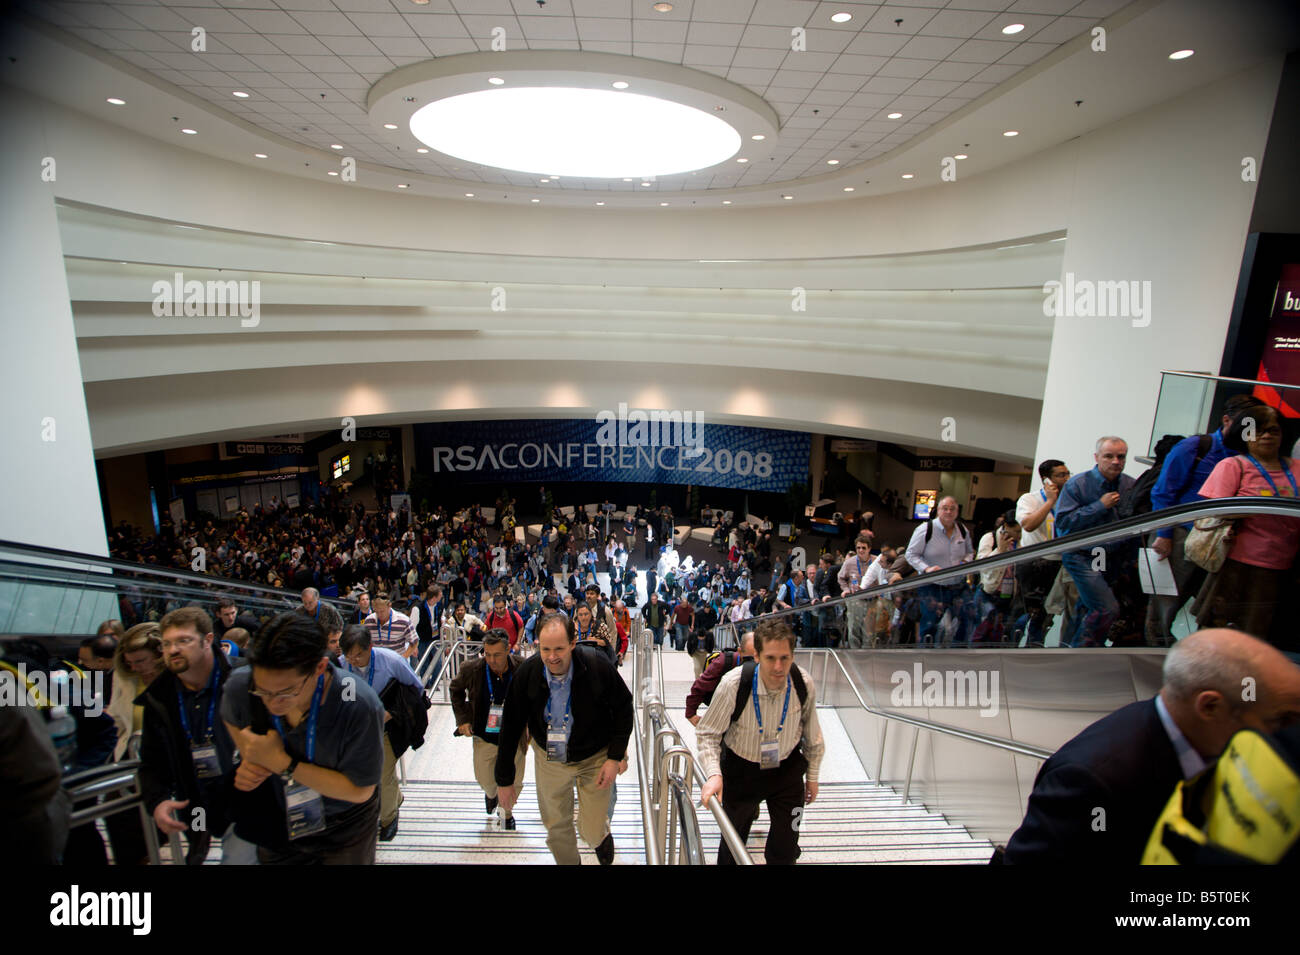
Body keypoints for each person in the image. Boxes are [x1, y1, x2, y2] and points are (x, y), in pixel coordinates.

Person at [1001, 628, 1300, 864]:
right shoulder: (1092, 780)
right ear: (1210, 707)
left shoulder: (1209, 749)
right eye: (1284, 719)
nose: (1289, 733)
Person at [221, 611, 386, 864]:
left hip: (344, 825)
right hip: (277, 817)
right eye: (263, 691)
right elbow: (230, 715)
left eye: (286, 692)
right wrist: (250, 753)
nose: (272, 703)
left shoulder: (358, 705)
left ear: (319, 667)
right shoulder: (241, 685)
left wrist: (283, 764)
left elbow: (360, 790)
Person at [495, 612, 633, 865]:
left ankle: (599, 834)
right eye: (546, 649)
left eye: (559, 648)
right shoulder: (528, 674)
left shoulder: (596, 666)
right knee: (556, 826)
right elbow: (511, 727)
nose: (552, 657)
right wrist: (504, 780)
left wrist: (615, 757)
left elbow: (624, 707)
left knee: (590, 829)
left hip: (594, 757)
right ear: (537, 644)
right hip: (550, 758)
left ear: (572, 643)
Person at [697, 618, 824, 865]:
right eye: (770, 658)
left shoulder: (802, 683)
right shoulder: (733, 684)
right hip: (741, 772)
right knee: (732, 847)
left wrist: (813, 776)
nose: (778, 666)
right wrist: (714, 774)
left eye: (785, 658)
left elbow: (813, 735)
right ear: (757, 656)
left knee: (787, 847)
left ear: (793, 656)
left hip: (787, 772)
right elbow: (708, 734)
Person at [138, 606, 259, 865]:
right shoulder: (159, 697)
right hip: (197, 801)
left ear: (208, 640)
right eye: (167, 643)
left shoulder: (246, 679)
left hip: (250, 801)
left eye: (184, 641)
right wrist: (158, 801)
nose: (173, 650)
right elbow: (151, 760)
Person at [1146, 396, 1263, 645]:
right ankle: (1155, 651)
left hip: (1221, 541)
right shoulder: (1195, 447)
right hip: (1181, 535)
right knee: (1165, 603)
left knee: (1209, 602)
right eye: (1245, 423)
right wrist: (1164, 535)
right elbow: (1163, 492)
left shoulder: (1250, 457)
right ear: (1227, 420)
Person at [1193, 404, 1300, 649]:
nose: (1266, 436)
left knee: (1258, 639)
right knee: (1216, 635)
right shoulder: (1233, 466)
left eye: (1273, 430)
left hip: (1284, 567)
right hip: (1237, 564)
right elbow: (1211, 512)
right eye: (1257, 430)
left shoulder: (1296, 468)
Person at [339, 624, 424, 841]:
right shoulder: (341, 666)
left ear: (370, 647)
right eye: (348, 655)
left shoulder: (391, 661)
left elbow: (416, 689)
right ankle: (395, 798)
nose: (353, 660)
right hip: (358, 731)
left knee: (383, 773)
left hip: (388, 728)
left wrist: (393, 712)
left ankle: (388, 819)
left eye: (358, 655)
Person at [1054, 436, 1136, 647]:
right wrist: (1099, 506)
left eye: (1121, 456)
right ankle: (1085, 652)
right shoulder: (1077, 484)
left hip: (1112, 558)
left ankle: (1067, 650)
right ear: (1097, 457)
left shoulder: (1129, 485)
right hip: (1081, 556)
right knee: (1106, 608)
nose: (1116, 461)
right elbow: (1063, 524)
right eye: (1109, 456)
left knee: (1086, 607)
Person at [451, 629, 529, 830]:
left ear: (508, 651)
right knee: (485, 779)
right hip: (485, 735)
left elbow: (535, 696)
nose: (491, 660)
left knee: (515, 781)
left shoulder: (523, 668)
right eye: (487, 654)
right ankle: (491, 794)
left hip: (514, 737)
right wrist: (463, 720)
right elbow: (455, 689)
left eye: (497, 655)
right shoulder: (473, 668)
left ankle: (506, 813)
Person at [1015, 459, 1071, 645]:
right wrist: (1050, 502)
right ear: (1047, 480)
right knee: (1025, 614)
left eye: (1067, 473)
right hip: (1033, 564)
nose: (1067, 478)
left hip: (1059, 564)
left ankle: (1034, 649)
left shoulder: (1071, 500)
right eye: (1061, 475)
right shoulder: (1029, 499)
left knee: (1046, 617)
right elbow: (1029, 525)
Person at [903, 497, 974, 644]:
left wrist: (966, 561)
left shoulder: (962, 530)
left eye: (952, 508)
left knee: (966, 620)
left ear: (957, 511)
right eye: (945, 508)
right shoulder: (925, 529)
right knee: (930, 625)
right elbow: (910, 554)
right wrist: (927, 568)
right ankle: (926, 658)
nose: (949, 512)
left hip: (957, 585)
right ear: (938, 510)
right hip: (932, 587)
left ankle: (957, 657)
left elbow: (970, 552)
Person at [685, 631, 755, 725]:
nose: (755, 662)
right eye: (751, 658)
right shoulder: (723, 662)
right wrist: (691, 714)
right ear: (739, 651)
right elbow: (700, 686)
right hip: (724, 713)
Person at [365, 591, 417, 661]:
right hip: (377, 663)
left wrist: (403, 659)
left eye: (382, 611)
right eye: (376, 611)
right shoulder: (369, 621)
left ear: (389, 605)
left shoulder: (403, 620)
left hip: (396, 664)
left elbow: (414, 641)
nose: (379, 615)